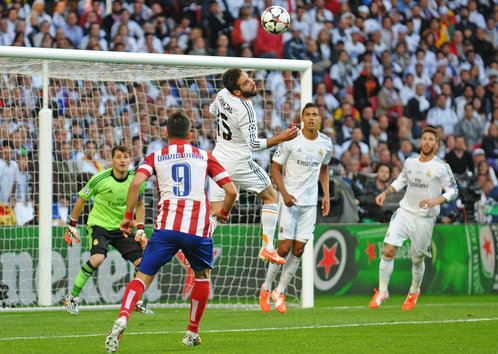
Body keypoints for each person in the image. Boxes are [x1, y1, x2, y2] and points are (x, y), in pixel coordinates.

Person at [105, 110, 237, 352]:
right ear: (191, 133)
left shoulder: (157, 156)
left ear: (165, 133)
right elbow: (231, 191)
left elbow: (135, 183)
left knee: (143, 276)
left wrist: (128, 218)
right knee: (202, 275)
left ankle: (123, 315)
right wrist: (224, 213)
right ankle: (191, 332)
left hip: (166, 228)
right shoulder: (204, 156)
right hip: (197, 229)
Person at [208, 68, 299, 265]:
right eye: (246, 82)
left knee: (215, 213)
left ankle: (197, 246)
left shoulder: (222, 94)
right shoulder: (246, 109)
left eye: (249, 79)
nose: (252, 82)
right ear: (237, 92)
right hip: (239, 162)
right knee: (271, 195)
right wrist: (282, 138)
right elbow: (253, 145)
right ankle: (267, 248)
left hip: (217, 161)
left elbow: (211, 111)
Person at [370, 127, 458, 311]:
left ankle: (413, 291)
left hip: (424, 219)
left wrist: (435, 200)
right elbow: (401, 181)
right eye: (424, 139)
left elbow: (453, 190)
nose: (426, 142)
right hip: (404, 212)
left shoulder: (441, 167)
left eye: (430, 140)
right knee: (388, 250)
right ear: (420, 142)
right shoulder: (410, 162)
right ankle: (383, 291)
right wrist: (385, 193)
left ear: (436, 144)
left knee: (417, 259)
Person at [258, 102, 333, 314]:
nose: (311, 118)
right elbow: (275, 167)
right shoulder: (292, 139)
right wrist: (284, 193)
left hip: (310, 204)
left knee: (299, 249)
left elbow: (324, 168)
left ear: (319, 118)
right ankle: (266, 287)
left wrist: (326, 195)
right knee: (282, 248)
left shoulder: (326, 143)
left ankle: (279, 292)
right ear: (302, 118)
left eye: (315, 114)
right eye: (307, 114)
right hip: (289, 200)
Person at [63, 145, 152, 316]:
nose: (122, 160)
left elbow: (140, 203)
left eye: (126, 157)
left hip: (122, 227)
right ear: (111, 161)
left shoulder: (137, 180)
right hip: (100, 224)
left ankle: (135, 301)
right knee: (97, 258)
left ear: (130, 160)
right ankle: (72, 298)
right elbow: (81, 199)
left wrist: (140, 227)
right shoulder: (99, 179)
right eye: (118, 157)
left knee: (142, 263)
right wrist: (72, 224)